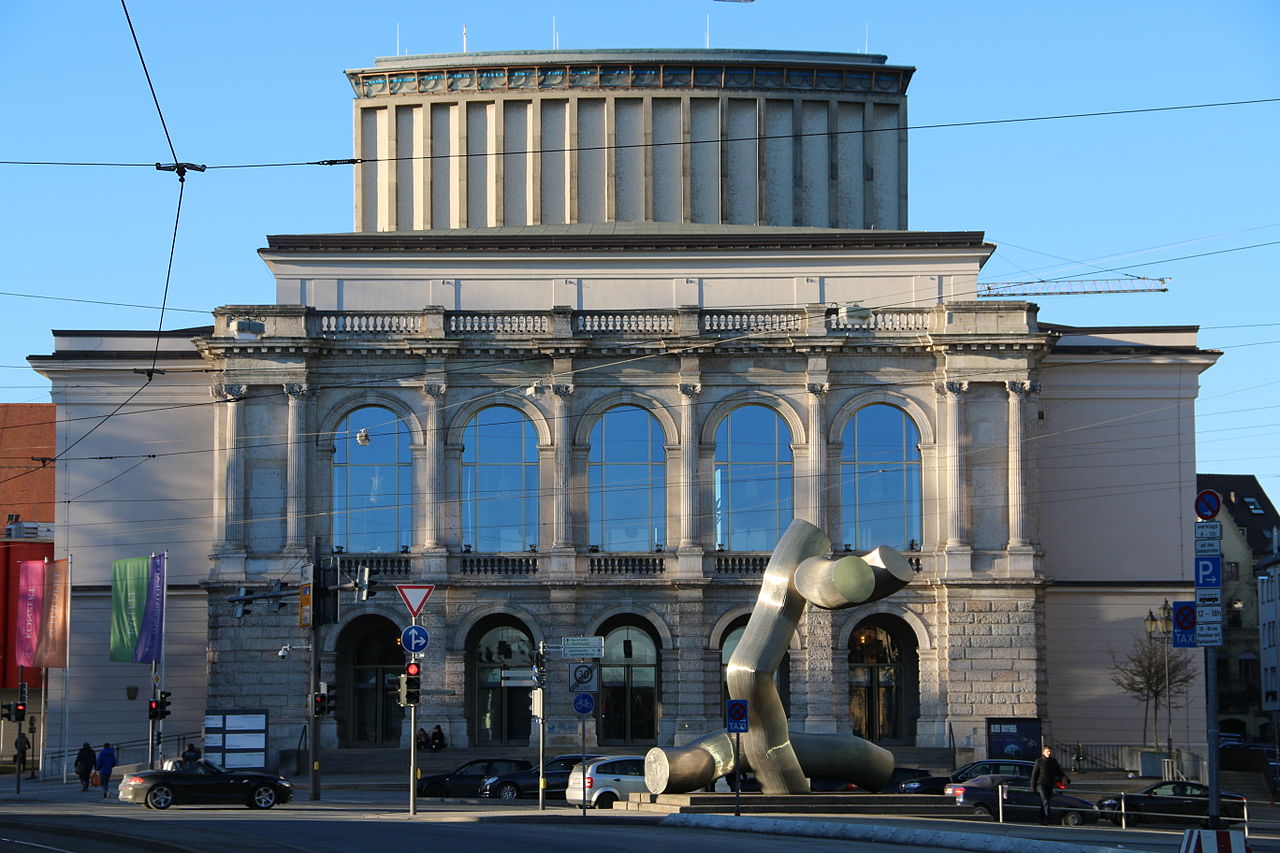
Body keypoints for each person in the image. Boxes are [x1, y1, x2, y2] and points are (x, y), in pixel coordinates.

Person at [1030, 745, 1069, 824]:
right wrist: (1033, 787)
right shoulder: (1039, 761)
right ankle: (1049, 818)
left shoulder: (1053, 761)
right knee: (1045, 801)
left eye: (1050, 751)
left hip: (1050, 784)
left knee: (1045, 802)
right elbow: (1034, 775)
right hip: (1041, 784)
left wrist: (1065, 778)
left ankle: (1041, 819)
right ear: (1043, 752)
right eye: (1047, 751)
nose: (1049, 753)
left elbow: (1059, 771)